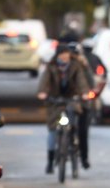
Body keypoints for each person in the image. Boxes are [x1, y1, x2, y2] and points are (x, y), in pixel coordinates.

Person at [38, 40, 95, 172]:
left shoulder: (76, 66)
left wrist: (84, 93)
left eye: (67, 55)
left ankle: (72, 140)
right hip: (55, 100)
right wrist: (43, 93)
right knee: (53, 130)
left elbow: (81, 82)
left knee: (74, 121)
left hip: (72, 99)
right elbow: (44, 81)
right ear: (57, 55)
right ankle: (50, 161)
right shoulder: (51, 67)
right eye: (62, 55)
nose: (65, 58)